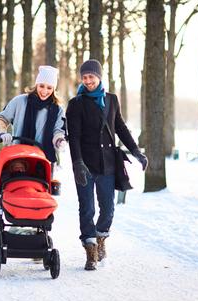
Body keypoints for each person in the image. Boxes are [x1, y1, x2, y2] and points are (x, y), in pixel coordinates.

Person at [66, 59, 148, 271]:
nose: (88, 81)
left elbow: (120, 127)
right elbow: (73, 137)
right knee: (87, 208)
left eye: (91, 76)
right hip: (85, 164)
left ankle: (101, 239)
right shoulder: (76, 104)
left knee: (108, 209)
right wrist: (77, 163)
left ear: (99, 77)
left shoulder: (111, 100)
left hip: (108, 165)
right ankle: (90, 249)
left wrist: (136, 151)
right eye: (84, 77)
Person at [0, 65, 67, 167]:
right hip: (19, 157)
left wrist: (59, 140)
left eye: (49, 87)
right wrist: (2, 134)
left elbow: (58, 131)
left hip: (44, 160)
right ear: (36, 84)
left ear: (54, 89)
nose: (45, 91)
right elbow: (1, 119)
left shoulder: (58, 110)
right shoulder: (19, 101)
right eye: (41, 86)